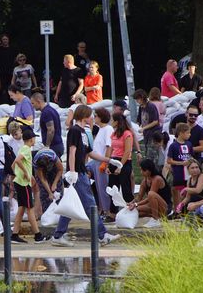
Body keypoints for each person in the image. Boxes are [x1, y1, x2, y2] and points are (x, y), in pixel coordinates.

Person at [50, 105, 122, 247]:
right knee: (90, 204)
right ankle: (102, 235)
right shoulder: (74, 131)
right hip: (77, 173)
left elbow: (90, 153)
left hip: (80, 172)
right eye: (90, 115)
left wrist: (109, 160)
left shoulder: (84, 132)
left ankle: (58, 235)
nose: (92, 118)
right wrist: (72, 171)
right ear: (84, 116)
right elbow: (72, 151)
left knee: (70, 204)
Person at [10, 129, 47, 244]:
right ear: (31, 139)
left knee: (21, 209)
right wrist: (26, 174)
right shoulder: (26, 149)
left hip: (19, 181)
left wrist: (18, 174)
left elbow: (13, 165)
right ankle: (38, 235)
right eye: (34, 138)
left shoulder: (22, 148)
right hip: (23, 183)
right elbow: (17, 161)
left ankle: (14, 234)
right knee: (30, 208)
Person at [105, 113, 134, 217]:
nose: (111, 123)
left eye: (112, 120)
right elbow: (111, 149)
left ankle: (131, 209)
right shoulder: (114, 134)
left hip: (124, 161)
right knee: (112, 187)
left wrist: (120, 165)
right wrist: (108, 165)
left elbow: (127, 151)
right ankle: (113, 212)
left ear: (117, 121)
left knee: (125, 186)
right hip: (114, 160)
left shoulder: (127, 134)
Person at [167, 123, 193, 209]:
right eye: (188, 133)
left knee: (188, 191)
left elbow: (191, 157)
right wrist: (181, 163)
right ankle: (177, 210)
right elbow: (169, 160)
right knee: (177, 192)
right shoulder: (173, 146)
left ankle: (186, 209)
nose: (189, 135)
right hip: (178, 173)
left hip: (188, 173)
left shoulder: (189, 144)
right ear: (181, 133)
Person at [32, 148, 63, 217]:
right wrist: (49, 192)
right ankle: (47, 214)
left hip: (55, 169)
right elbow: (42, 179)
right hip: (41, 169)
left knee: (57, 193)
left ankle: (58, 214)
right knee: (44, 193)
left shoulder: (53, 157)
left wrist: (54, 183)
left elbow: (60, 170)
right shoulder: (36, 162)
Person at [31, 92, 63, 157]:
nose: (32, 106)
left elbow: (51, 130)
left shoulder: (46, 112)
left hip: (53, 146)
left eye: (33, 103)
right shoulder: (50, 110)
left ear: (38, 101)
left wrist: (47, 146)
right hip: (57, 145)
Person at [0, 34, 17, 106]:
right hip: (1, 72)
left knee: (10, 88)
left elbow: (16, 59)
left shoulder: (12, 49)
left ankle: (11, 104)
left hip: (10, 71)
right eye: (3, 39)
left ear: (8, 40)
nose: (5, 41)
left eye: (6, 39)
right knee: (0, 88)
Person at [134, 89, 161, 154]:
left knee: (152, 153)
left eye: (138, 99)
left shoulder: (151, 106)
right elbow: (139, 120)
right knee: (147, 153)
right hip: (146, 134)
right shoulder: (141, 107)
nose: (137, 101)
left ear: (142, 98)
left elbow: (155, 121)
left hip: (153, 133)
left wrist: (144, 128)